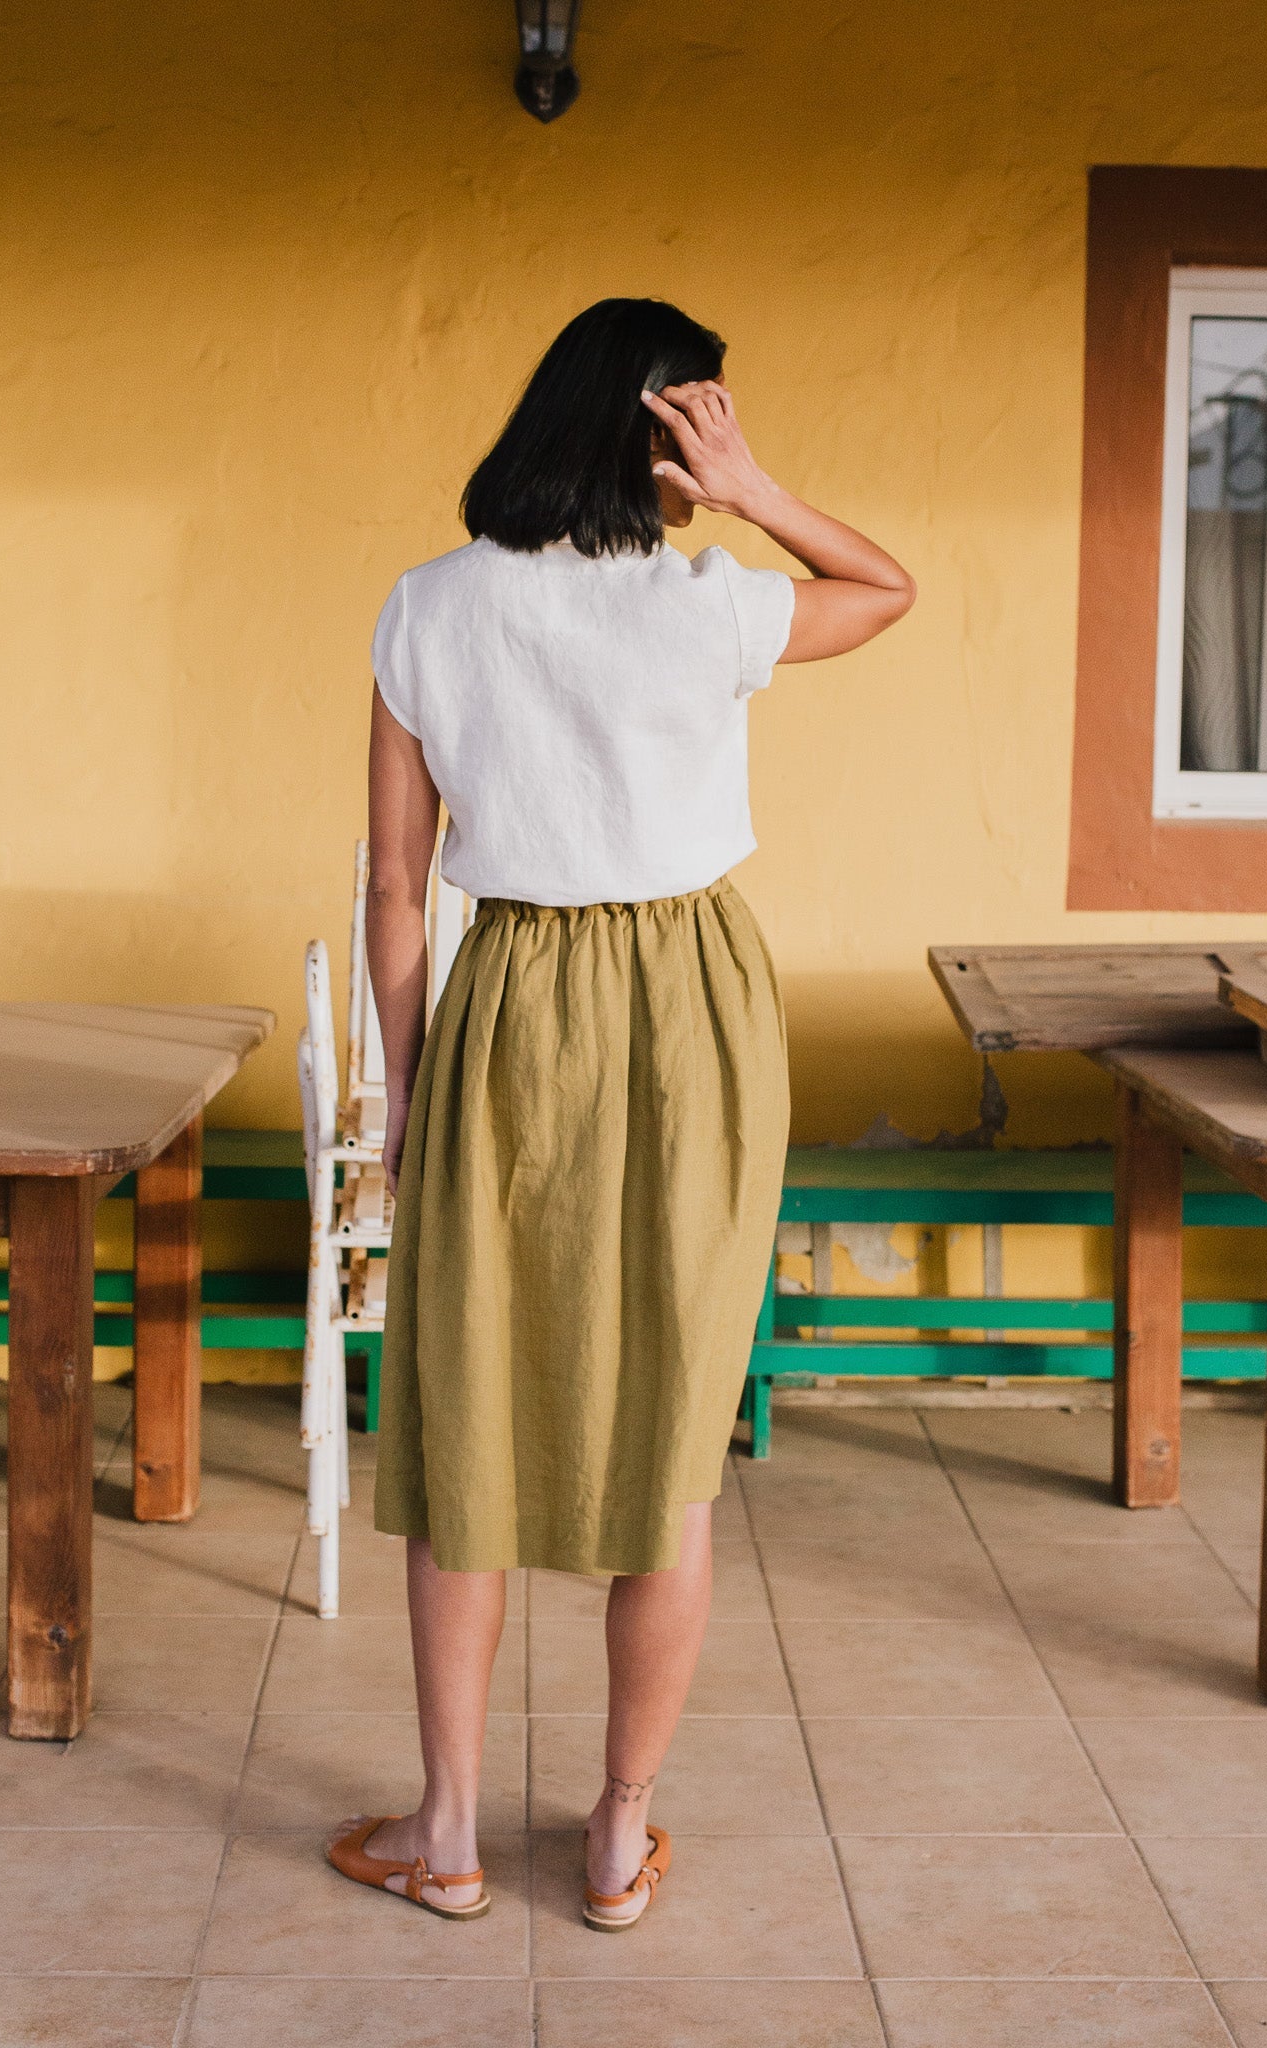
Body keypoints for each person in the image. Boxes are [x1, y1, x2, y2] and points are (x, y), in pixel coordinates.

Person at [328, 297, 914, 1929]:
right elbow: (885, 590)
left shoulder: (428, 606)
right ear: (667, 427)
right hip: (695, 1012)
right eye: (703, 418)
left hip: (507, 999)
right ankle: (612, 1836)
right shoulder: (707, 603)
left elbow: (392, 879)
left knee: (467, 1428)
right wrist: (755, 490)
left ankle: (445, 1837)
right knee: (666, 1438)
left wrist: (405, 1077)